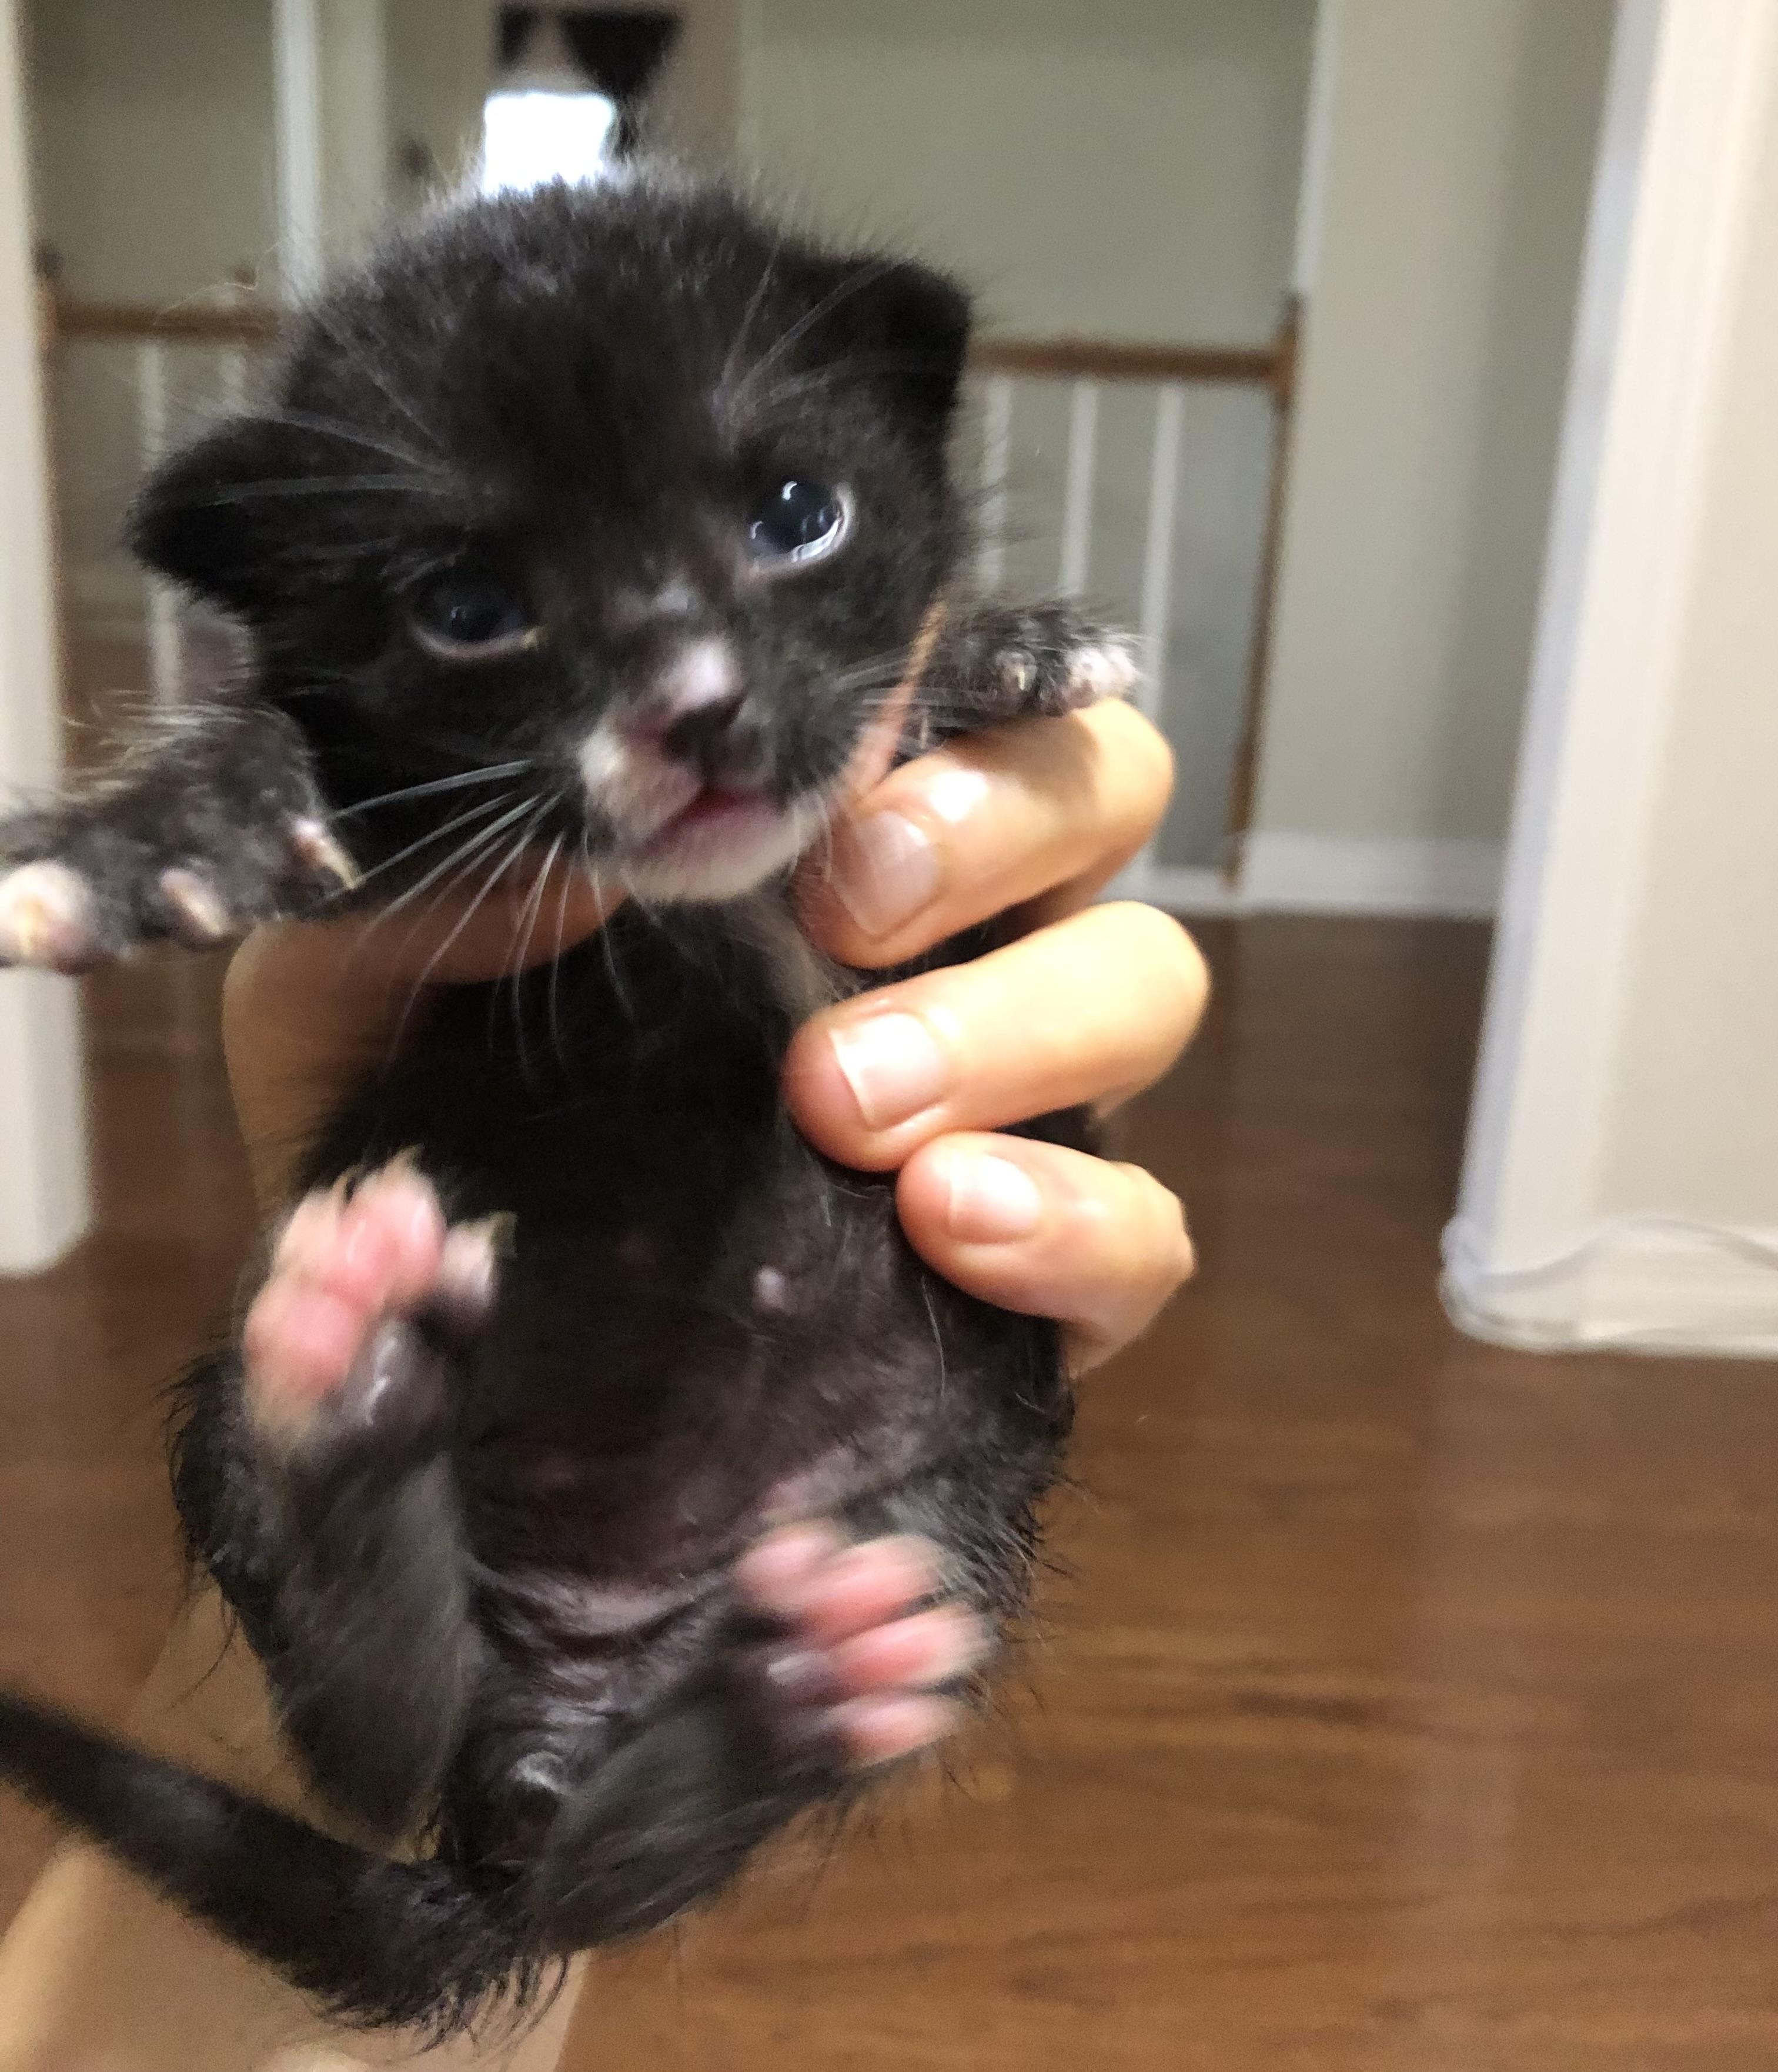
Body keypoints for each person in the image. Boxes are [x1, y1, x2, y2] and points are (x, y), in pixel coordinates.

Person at [0, 695, 1205, 2071]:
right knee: (835, 1596)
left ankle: (392, 1496)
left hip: (562, 1484)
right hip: (615, 1524)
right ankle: (718, 1686)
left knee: (516, 1708)